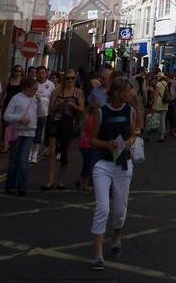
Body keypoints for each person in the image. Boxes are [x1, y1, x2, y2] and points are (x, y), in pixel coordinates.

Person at [88, 75, 143, 271]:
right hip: (102, 162)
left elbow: (132, 134)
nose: (131, 93)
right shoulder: (102, 112)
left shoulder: (130, 111)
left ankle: (116, 237)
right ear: (118, 93)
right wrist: (106, 144)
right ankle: (98, 254)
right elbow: (92, 139)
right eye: (128, 91)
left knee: (120, 211)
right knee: (103, 208)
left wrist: (129, 141)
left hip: (122, 163)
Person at [42, 69, 86, 191]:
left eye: (72, 78)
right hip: (55, 122)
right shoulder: (56, 92)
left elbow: (82, 110)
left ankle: (60, 181)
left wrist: (73, 106)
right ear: (64, 79)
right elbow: (51, 109)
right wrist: (58, 106)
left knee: (65, 154)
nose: (70, 81)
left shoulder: (78, 92)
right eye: (67, 78)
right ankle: (50, 181)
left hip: (69, 124)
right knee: (52, 152)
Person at [3, 77, 41, 195]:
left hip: (29, 133)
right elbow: (6, 116)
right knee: (13, 159)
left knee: (23, 160)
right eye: (34, 89)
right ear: (27, 88)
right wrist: (19, 118)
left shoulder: (36, 100)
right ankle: (10, 186)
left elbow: (42, 114)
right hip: (17, 131)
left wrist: (41, 103)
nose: (36, 92)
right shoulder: (16, 98)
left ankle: (21, 187)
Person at [30, 66, 55, 165]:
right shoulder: (32, 83)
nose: (40, 75)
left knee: (39, 134)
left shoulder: (50, 85)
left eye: (42, 73)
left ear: (46, 74)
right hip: (31, 112)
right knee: (31, 133)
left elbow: (51, 99)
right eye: (39, 73)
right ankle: (29, 153)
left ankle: (35, 154)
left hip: (42, 112)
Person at [163, 71, 176, 137]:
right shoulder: (163, 83)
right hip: (165, 102)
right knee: (165, 117)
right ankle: (165, 131)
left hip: (173, 102)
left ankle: (173, 130)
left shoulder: (175, 83)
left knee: (173, 117)